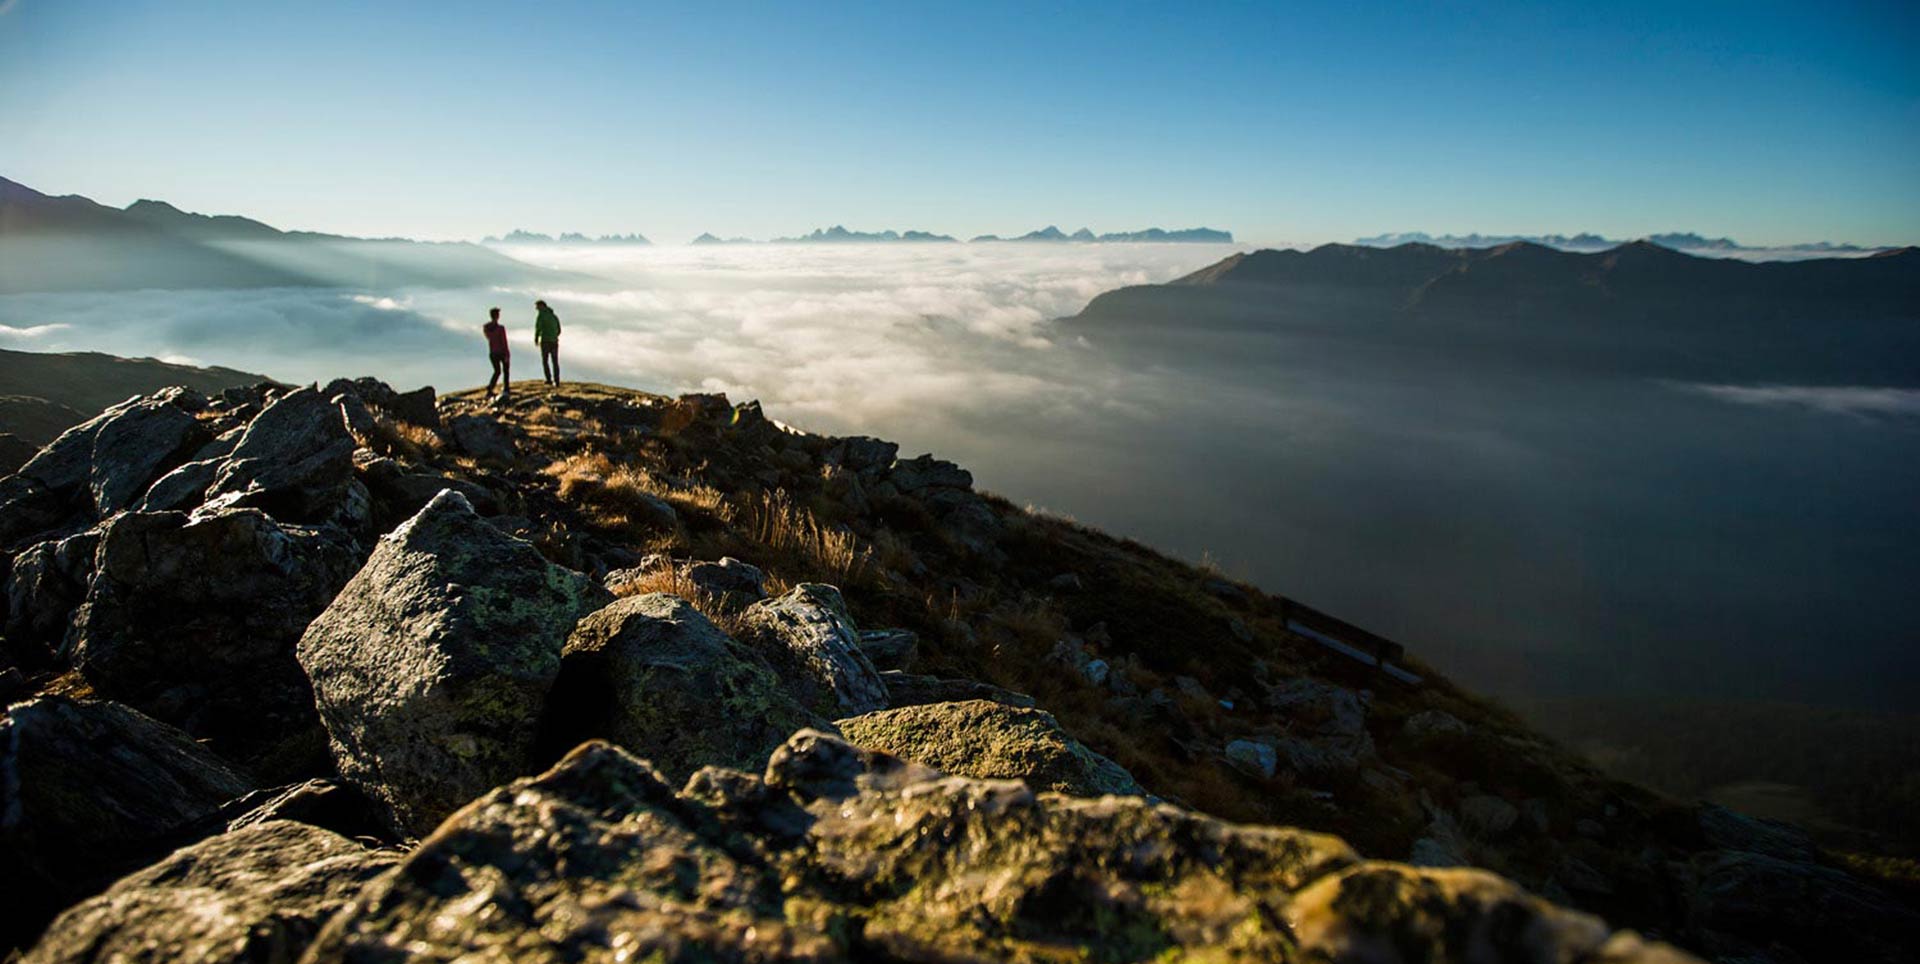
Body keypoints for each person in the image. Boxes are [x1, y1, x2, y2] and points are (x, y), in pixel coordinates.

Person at [483, 307, 511, 400]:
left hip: (492, 352)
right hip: (501, 352)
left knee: (497, 371)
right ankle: (506, 388)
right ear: (497, 316)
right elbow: (504, 342)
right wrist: (507, 354)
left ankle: (490, 388)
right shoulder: (500, 328)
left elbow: (489, 337)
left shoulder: (486, 327)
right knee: (505, 371)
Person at [533, 299, 561, 386]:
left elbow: (538, 328)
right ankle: (557, 381)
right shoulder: (554, 316)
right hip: (554, 341)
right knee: (555, 361)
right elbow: (559, 330)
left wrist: (536, 338)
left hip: (545, 341)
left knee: (545, 361)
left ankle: (549, 379)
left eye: (537, 307)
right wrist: (554, 335)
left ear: (541, 306)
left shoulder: (541, 315)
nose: (536, 309)